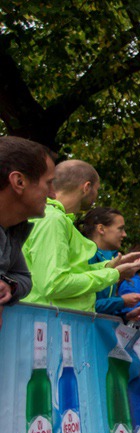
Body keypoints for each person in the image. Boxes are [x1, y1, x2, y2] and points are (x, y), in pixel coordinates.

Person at [21, 159, 140, 311]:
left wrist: (109, 266)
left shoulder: (58, 219)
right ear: (86, 187)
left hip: (53, 319)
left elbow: (72, 272)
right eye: (97, 189)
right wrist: (113, 274)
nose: (97, 196)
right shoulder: (53, 220)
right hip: (48, 321)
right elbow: (54, 284)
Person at [0, 136, 54, 331]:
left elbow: (23, 277)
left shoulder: (12, 229)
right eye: (49, 183)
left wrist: (7, 285)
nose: (53, 194)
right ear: (19, 181)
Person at [78, 207, 140, 320]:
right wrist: (122, 301)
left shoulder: (111, 257)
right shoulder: (85, 256)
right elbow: (86, 306)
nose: (124, 234)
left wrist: (126, 316)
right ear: (101, 229)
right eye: (120, 229)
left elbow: (102, 307)